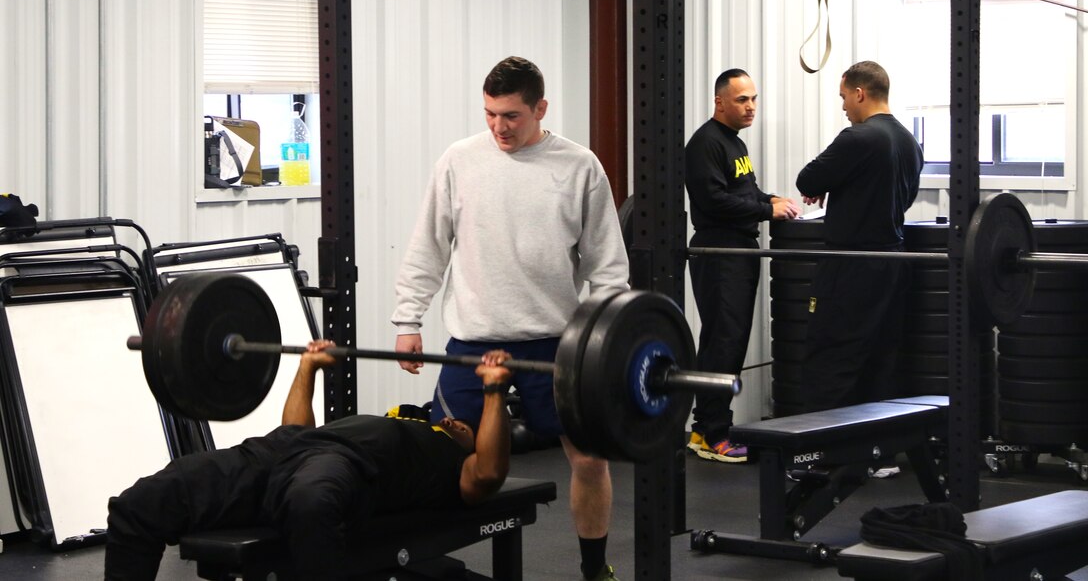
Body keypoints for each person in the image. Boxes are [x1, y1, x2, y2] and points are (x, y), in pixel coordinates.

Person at [391, 56, 629, 581]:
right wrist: (408, 319)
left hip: (556, 344)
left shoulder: (580, 166)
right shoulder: (459, 160)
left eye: (512, 116)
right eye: (490, 114)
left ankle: (596, 569)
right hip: (475, 342)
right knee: (440, 459)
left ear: (541, 108)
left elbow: (607, 265)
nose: (499, 127)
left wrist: (608, 342)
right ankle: (420, 564)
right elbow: (428, 245)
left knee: (590, 460)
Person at [105, 341, 514, 581]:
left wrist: (493, 392)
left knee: (310, 504)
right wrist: (308, 368)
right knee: (141, 503)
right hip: (279, 450)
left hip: (339, 466)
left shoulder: (446, 458)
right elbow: (297, 429)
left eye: (460, 425)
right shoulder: (393, 419)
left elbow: (490, 471)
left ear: (470, 441)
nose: (447, 419)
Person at [684, 69, 801, 463]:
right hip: (718, 252)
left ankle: (705, 429)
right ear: (719, 102)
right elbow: (715, 200)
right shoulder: (705, 144)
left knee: (727, 341)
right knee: (723, 341)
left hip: (738, 250)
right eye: (741, 100)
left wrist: (772, 198)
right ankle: (714, 435)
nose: (750, 107)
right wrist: (767, 209)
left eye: (753, 99)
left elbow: (745, 192)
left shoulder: (734, 144)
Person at [795, 60, 924, 414]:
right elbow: (904, 198)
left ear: (860, 93)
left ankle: (820, 459)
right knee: (879, 358)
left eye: (844, 97)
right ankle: (871, 457)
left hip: (849, 266)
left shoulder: (859, 137)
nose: (843, 107)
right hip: (893, 263)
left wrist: (829, 185)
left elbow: (807, 181)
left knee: (830, 357)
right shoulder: (911, 143)